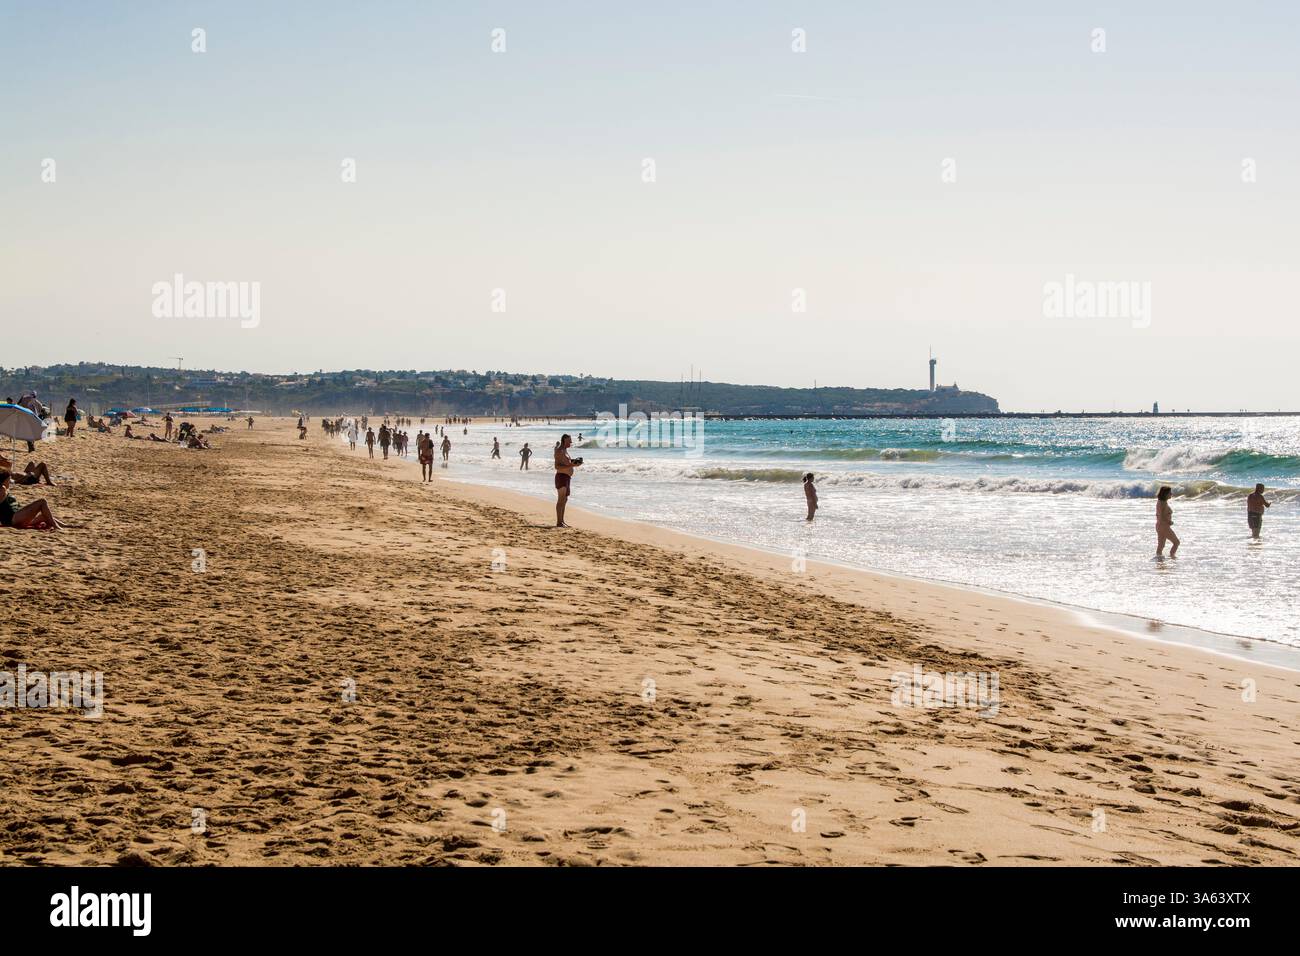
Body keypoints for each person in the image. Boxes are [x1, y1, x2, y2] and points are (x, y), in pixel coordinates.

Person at [553, 434, 582, 527]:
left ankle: (562, 521)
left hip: (567, 477)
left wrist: (574, 462)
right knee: (561, 500)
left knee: (565, 499)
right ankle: (559, 522)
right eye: (569, 440)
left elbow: (565, 463)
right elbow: (557, 466)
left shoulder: (565, 451)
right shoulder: (559, 451)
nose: (571, 442)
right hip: (561, 476)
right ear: (564, 440)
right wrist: (571, 465)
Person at [1156, 486, 1179, 558]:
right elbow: (1160, 516)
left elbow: (1159, 515)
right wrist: (1169, 521)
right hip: (1163, 526)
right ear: (1165, 494)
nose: (1171, 494)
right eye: (1170, 493)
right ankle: (1172, 557)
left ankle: (1159, 560)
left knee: (1161, 545)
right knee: (1176, 542)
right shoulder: (1161, 503)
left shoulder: (1162, 502)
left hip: (1161, 526)